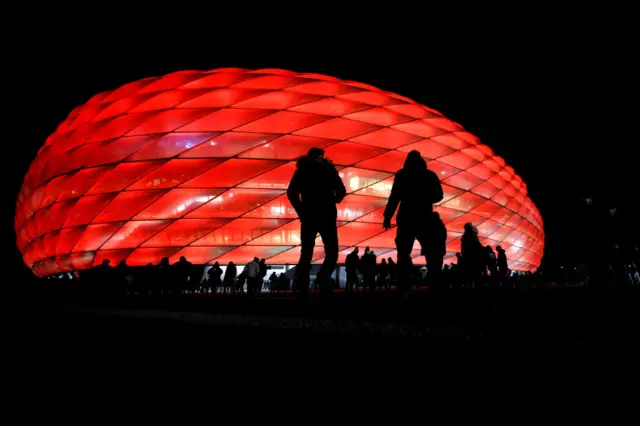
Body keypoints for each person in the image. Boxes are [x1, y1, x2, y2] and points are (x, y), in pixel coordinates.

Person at [287, 147, 346, 295]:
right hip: (327, 215)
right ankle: (323, 278)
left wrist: (301, 211)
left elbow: (291, 193)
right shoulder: (329, 170)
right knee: (332, 251)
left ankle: (302, 286)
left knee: (306, 253)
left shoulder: (302, 171)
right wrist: (332, 201)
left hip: (309, 216)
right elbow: (341, 191)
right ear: (321, 156)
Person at [383, 150, 444, 295]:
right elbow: (439, 195)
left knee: (403, 252)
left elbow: (394, 196)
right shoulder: (429, 175)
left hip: (406, 217)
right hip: (425, 217)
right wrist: (425, 198)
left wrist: (387, 216)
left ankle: (404, 284)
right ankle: (434, 284)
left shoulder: (402, 174)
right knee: (430, 252)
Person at [461, 223, 485, 288]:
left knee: (470, 275)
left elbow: (464, 249)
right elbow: (478, 247)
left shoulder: (465, 237)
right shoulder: (474, 236)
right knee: (476, 276)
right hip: (475, 259)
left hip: (469, 258)